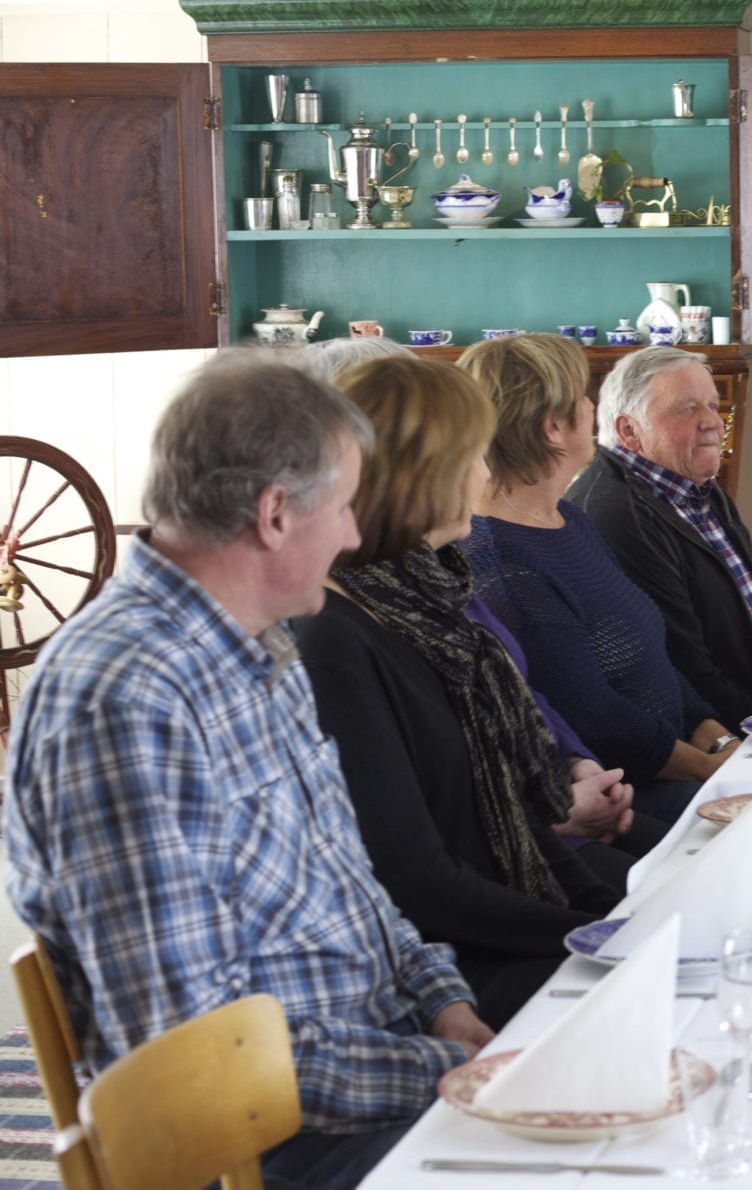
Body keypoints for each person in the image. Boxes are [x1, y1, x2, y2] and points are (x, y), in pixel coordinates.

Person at [4, 351, 490, 1190]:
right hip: (266, 1153)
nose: (349, 534)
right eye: (342, 507)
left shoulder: (255, 643)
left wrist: (447, 1005)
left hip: (366, 1083)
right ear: (273, 514)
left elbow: (357, 893)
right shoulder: (126, 700)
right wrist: (436, 1070)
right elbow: (199, 1052)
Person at [291, 358, 622, 1026]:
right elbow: (419, 882)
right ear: (423, 477)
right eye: (473, 456)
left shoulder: (431, 599)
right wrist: (590, 936)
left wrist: (607, 920)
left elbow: (514, 823)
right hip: (446, 975)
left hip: (496, 928)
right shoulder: (335, 638)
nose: (483, 475)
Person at [456, 334, 739, 821]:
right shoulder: (503, 562)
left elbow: (652, 660)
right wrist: (712, 771)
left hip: (678, 767)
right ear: (553, 428)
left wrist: (723, 743)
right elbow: (594, 717)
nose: (592, 408)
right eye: (584, 399)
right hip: (624, 796)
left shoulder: (568, 518)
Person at [565, 345, 752, 727]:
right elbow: (684, 668)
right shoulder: (616, 515)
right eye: (688, 408)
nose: (713, 421)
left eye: (712, 405)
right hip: (712, 743)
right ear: (629, 430)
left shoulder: (698, 487)